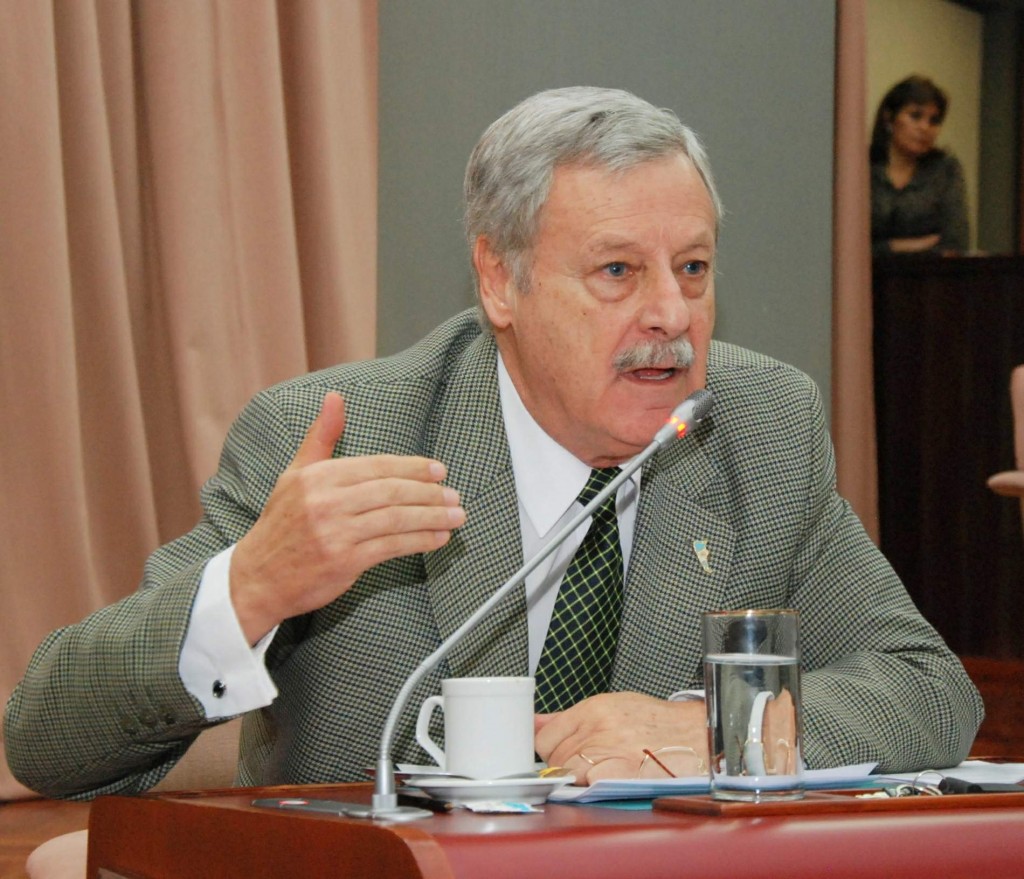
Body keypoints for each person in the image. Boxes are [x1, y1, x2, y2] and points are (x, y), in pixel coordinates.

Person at [4, 86, 982, 800]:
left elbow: (930, 691)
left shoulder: (759, 426)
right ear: (499, 281)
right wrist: (253, 584)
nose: (672, 314)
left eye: (692, 267)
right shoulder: (349, 439)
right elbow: (47, 741)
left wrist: (716, 731)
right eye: (617, 271)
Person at [869, 74, 970, 256]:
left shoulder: (945, 169)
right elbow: (846, 244)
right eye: (915, 116)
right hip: (861, 272)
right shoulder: (863, 166)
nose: (925, 128)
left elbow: (955, 244)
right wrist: (897, 246)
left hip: (930, 273)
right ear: (889, 118)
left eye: (934, 121)